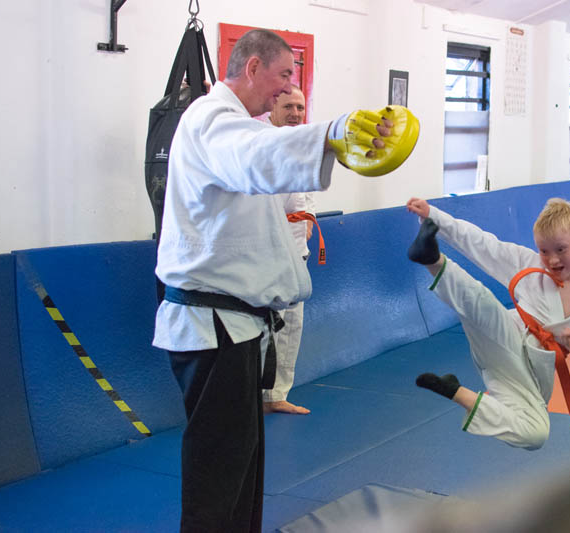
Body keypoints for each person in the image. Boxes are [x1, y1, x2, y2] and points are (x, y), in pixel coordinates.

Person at [153, 29, 395, 532]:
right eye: (285, 74)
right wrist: (331, 133)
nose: (288, 88)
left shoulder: (241, 127)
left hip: (234, 327)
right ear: (253, 67)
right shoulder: (211, 119)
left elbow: (266, 164)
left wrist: (339, 146)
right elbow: (254, 155)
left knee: (240, 471)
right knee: (217, 475)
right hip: (212, 327)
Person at [405, 197, 570, 449]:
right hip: (503, 338)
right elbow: (482, 245)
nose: (551, 260)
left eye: (561, 249)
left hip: (527, 376)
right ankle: (432, 259)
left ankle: (455, 391)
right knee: (482, 303)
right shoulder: (529, 264)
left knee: (536, 434)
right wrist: (434, 215)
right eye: (544, 251)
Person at [264, 85, 313, 415]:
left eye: (300, 107)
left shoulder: (302, 146)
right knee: (265, 330)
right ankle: (252, 395)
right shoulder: (262, 145)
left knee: (291, 328)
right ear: (272, 106)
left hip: (298, 253)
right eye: (289, 107)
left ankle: (276, 395)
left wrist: (307, 221)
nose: (296, 113)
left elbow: (304, 196)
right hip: (268, 257)